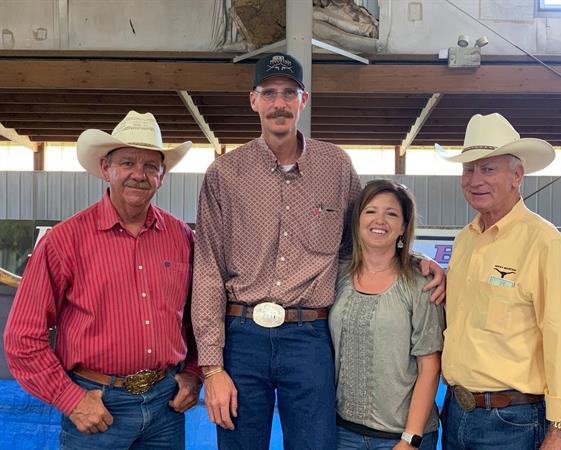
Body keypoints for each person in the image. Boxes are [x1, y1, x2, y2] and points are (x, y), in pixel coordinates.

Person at [191, 52, 446, 450]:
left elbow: (367, 233)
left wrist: (412, 262)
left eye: (289, 93)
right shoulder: (224, 174)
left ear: (303, 100)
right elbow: (207, 268)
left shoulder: (337, 166)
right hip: (241, 336)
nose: (280, 103)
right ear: (254, 100)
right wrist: (212, 368)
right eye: (270, 93)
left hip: (309, 335)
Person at [4, 111, 202, 450]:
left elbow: (200, 317)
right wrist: (70, 398)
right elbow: (22, 337)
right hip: (97, 407)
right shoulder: (64, 241)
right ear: (105, 169)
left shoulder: (182, 237)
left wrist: (194, 374)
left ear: (162, 176)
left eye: (150, 166)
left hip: (166, 407)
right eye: (127, 163)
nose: (138, 175)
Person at [436, 113, 561, 450]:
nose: (475, 180)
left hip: (514, 422)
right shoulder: (465, 240)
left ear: (517, 175)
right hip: (456, 413)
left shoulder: (544, 244)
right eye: (469, 169)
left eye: (488, 169)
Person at [330, 179, 445, 450]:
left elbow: (430, 367)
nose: (379, 220)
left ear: (404, 226)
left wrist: (410, 439)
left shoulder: (421, 283)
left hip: (401, 437)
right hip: (343, 432)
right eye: (370, 211)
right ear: (357, 220)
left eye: (391, 213)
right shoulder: (337, 275)